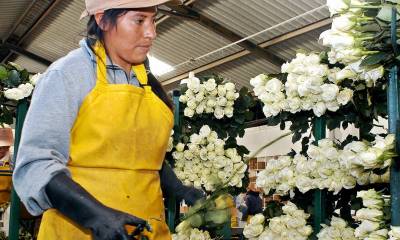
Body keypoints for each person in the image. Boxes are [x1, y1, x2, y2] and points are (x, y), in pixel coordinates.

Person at [12, 1, 205, 239]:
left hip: (147, 229)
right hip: (78, 230)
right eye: (139, 20)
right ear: (102, 19)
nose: (151, 32)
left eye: (153, 20)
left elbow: (137, 155)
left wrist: (180, 189)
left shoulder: (147, 82)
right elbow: (36, 164)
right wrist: (94, 215)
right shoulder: (68, 75)